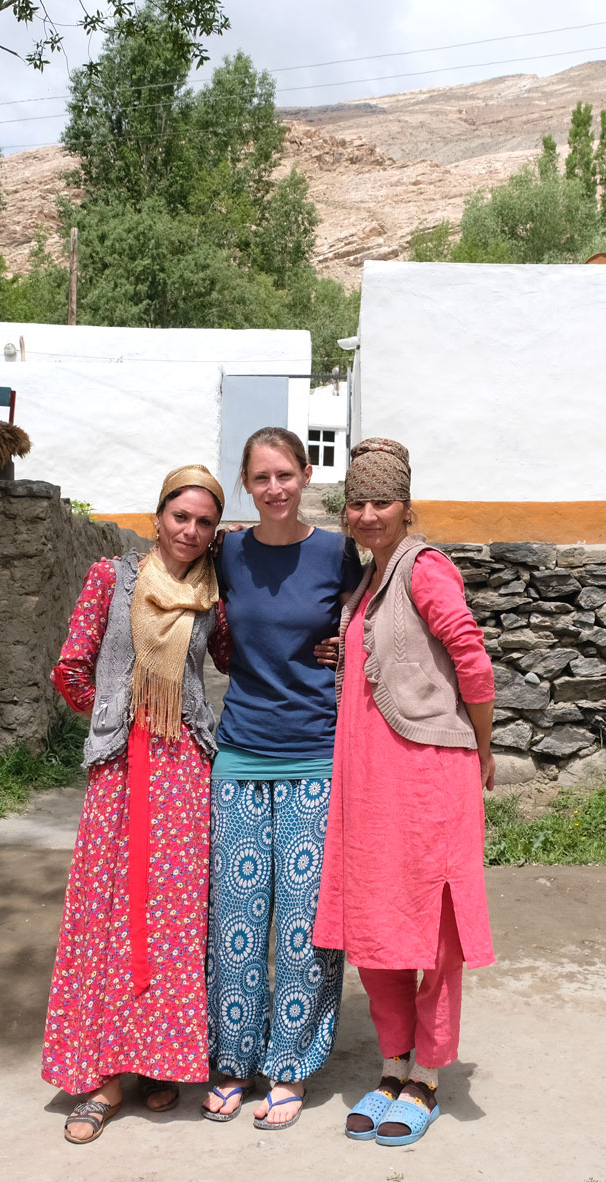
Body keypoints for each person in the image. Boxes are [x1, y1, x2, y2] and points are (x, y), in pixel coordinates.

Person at [314, 437, 496, 1148]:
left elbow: (469, 656)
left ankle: (425, 1075)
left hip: (426, 781)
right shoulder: (369, 581)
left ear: (406, 506)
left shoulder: (424, 569)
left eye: (380, 501)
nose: (366, 514)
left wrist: (482, 743)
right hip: (370, 784)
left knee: (434, 935)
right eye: (356, 502)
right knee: (379, 933)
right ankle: (390, 1067)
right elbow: (391, 656)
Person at [43, 464, 230, 1145]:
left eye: (204, 522)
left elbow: (236, 656)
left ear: (214, 533)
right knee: (108, 913)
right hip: (123, 769)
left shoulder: (213, 593)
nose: (190, 530)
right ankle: (101, 1078)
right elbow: (71, 665)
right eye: (180, 516)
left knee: (173, 919)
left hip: (184, 769)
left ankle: (158, 1062)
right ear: (159, 517)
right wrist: (114, 717)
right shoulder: (110, 578)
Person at [201, 427, 364, 1130]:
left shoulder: (335, 551)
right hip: (239, 754)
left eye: (284, 475)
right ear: (246, 484)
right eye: (259, 477)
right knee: (237, 920)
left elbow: (367, 627)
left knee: (303, 925)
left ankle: (289, 1066)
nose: (273, 488)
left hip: (315, 757)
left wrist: (341, 654)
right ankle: (233, 1061)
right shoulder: (227, 551)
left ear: (304, 474)